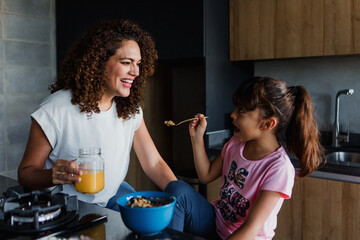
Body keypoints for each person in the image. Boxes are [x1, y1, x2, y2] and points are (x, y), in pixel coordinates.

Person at [17, 19, 177, 210]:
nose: (135, 71)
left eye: (138, 63)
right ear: (99, 62)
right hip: (68, 208)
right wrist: (52, 175)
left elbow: (154, 163)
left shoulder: (130, 110)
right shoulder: (56, 109)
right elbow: (26, 173)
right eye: (126, 62)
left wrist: (181, 194)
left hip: (111, 199)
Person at [165, 77, 324, 239]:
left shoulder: (279, 168)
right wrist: (197, 138)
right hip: (217, 224)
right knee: (177, 189)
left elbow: (251, 229)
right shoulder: (236, 143)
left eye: (241, 110)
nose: (233, 114)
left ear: (267, 124)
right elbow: (205, 175)